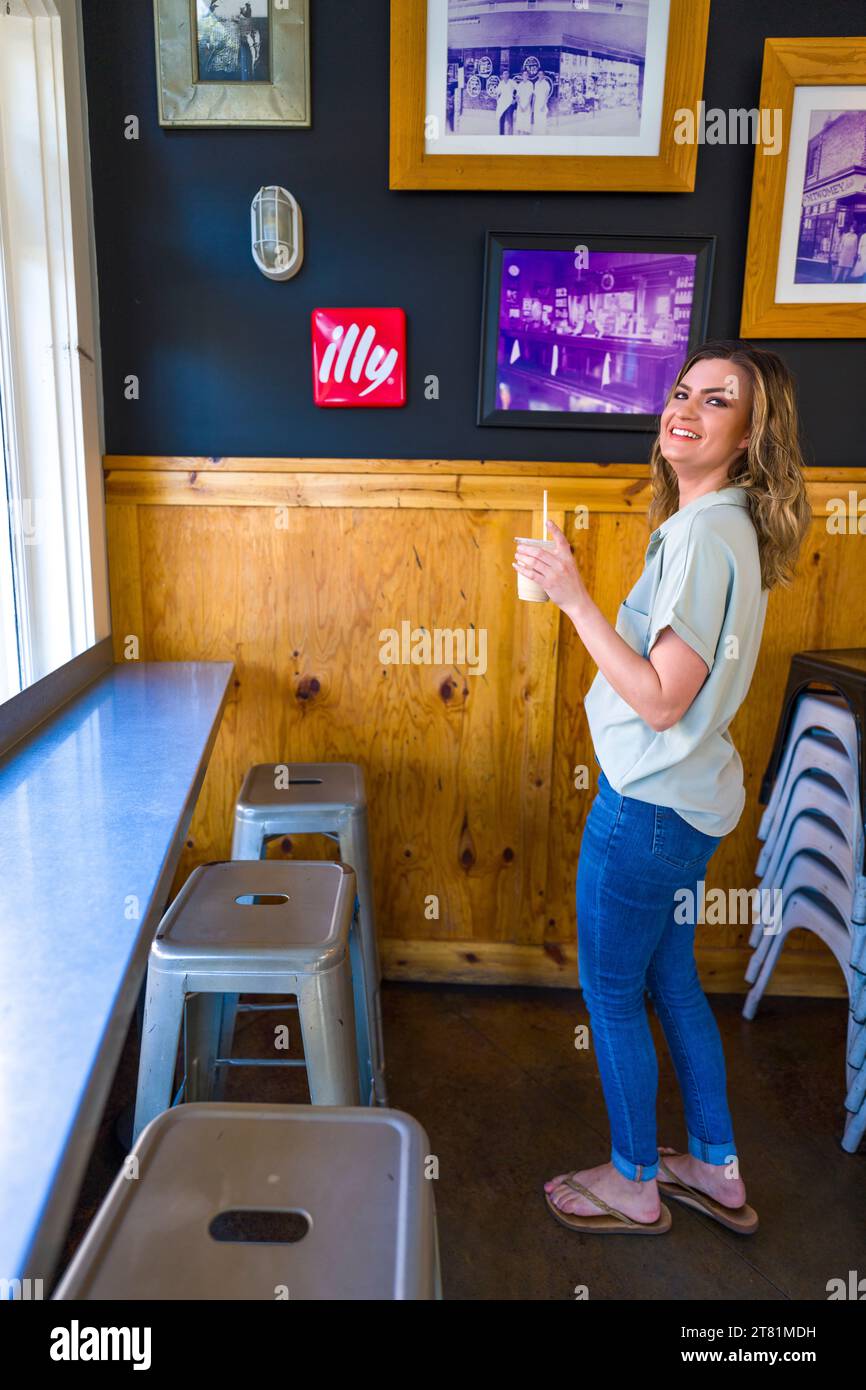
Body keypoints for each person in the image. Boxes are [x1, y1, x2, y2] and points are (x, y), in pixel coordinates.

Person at [514, 341, 811, 1236]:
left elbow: (659, 696)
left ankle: (636, 1179)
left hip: (644, 813)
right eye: (684, 391)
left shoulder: (703, 534)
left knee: (611, 994)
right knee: (673, 982)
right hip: (685, 808)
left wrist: (572, 598)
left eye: (718, 401)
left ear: (753, 436)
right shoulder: (723, 528)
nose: (686, 406)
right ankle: (715, 1168)